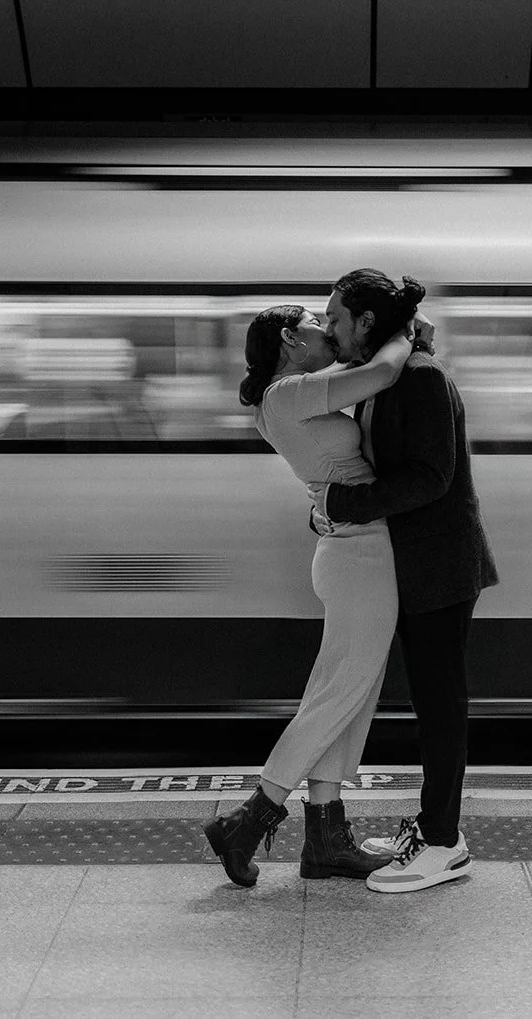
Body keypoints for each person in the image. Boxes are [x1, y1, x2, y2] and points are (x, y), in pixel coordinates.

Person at [202, 302, 418, 888]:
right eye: (317, 325)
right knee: (339, 694)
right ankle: (250, 819)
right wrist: (401, 333)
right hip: (359, 554)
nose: (328, 332)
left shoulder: (288, 396)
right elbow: (382, 373)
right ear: (290, 341)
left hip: (354, 548)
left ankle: (326, 838)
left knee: (349, 693)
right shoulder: (287, 392)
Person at [308, 269, 499, 894]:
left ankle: (444, 842)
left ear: (366, 321)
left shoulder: (419, 380)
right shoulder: (395, 373)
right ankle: (433, 826)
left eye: (336, 316)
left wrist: (343, 501)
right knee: (430, 700)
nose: (329, 326)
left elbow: (430, 477)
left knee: (440, 704)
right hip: (417, 564)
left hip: (439, 567)